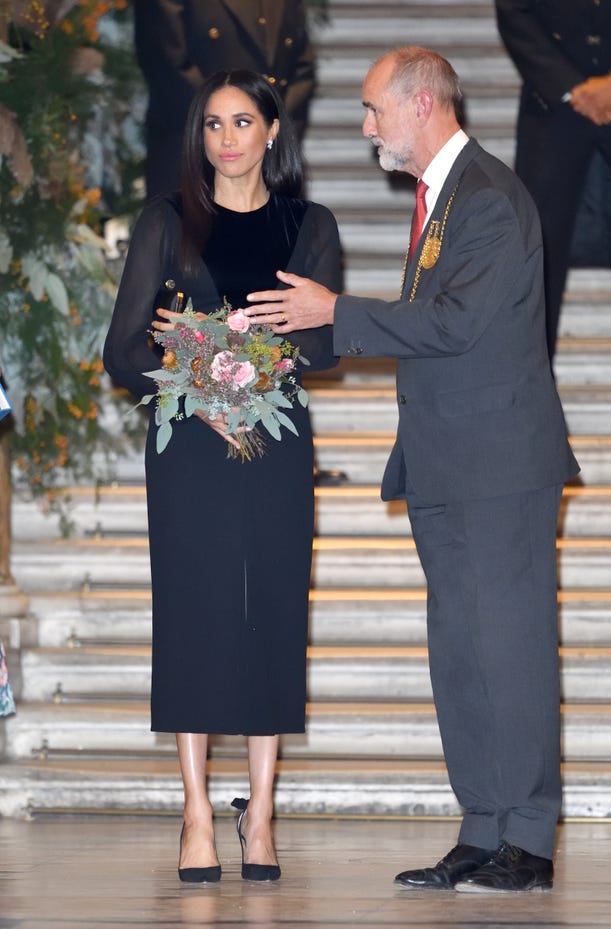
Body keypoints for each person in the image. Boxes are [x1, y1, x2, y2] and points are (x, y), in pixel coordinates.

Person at [242, 46, 580, 894]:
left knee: (512, 650)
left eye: (373, 110)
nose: (365, 127)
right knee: (461, 655)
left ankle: (529, 837)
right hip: (448, 461)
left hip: (499, 463)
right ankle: (484, 825)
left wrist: (336, 311)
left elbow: (455, 322)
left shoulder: (491, 199)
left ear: (421, 103)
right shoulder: (447, 199)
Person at [103, 69, 341, 882]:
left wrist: (226, 350)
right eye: (212, 124)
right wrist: (196, 383)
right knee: (197, 614)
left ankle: (262, 814)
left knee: (272, 608)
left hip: (274, 443)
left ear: (273, 131)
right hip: (191, 444)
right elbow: (125, 350)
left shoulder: (310, 225)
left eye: (243, 122)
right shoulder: (167, 222)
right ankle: (197, 812)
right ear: (198, 136)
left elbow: (323, 345)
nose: (227, 138)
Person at [495, 0, 611, 361]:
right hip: (552, 104)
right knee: (536, 247)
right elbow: (514, 12)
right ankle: (533, 387)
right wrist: (570, 86)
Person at [134, 0, 315, 199]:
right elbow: (167, 63)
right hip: (194, 163)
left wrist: (269, 129)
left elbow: (302, 68)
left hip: (272, 170)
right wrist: (230, 126)